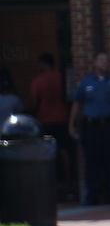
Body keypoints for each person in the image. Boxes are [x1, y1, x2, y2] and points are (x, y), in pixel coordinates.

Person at [70, 50, 110, 208]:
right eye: (101, 60)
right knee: (92, 162)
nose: (104, 62)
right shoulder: (86, 82)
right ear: (94, 63)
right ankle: (92, 196)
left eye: (106, 60)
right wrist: (71, 124)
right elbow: (77, 103)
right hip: (91, 126)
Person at [28, 53, 74, 201]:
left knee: (47, 152)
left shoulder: (38, 81)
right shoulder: (61, 78)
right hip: (61, 119)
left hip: (46, 121)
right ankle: (69, 185)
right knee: (64, 151)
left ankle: (49, 186)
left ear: (42, 64)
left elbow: (35, 102)